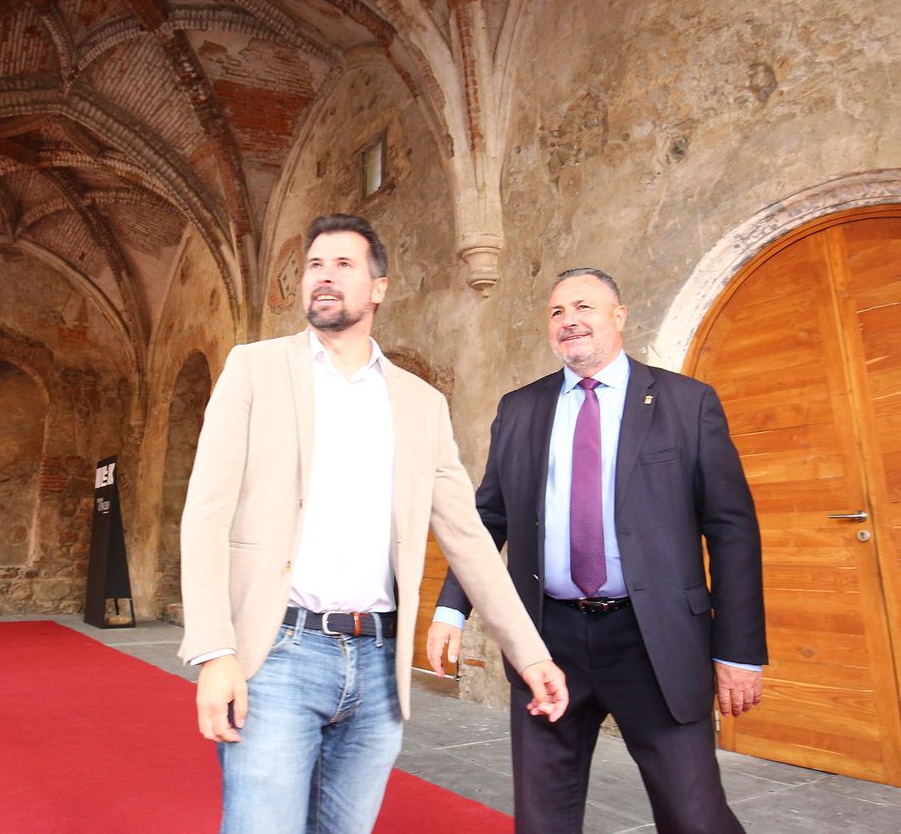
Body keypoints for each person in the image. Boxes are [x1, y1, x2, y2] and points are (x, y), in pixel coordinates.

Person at [178, 213, 568, 834]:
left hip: (381, 666)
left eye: (342, 265)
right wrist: (215, 651)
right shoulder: (254, 369)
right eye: (313, 266)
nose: (323, 278)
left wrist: (530, 654)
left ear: (378, 287)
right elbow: (205, 514)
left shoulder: (420, 403)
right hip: (278, 654)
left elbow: (467, 538)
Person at [432, 267, 767, 833]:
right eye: (557, 312)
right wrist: (451, 607)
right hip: (547, 641)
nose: (570, 321)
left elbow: (732, 529)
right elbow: (487, 518)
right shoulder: (519, 410)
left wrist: (738, 650)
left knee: (695, 815)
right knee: (543, 819)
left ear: (619, 316)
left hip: (653, 640)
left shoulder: (686, 403)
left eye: (584, 307)